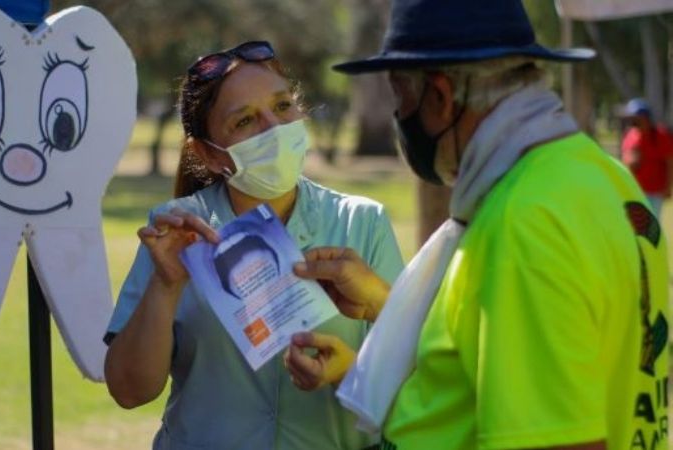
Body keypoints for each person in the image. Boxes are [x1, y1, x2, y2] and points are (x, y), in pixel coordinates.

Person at [284, 0, 670, 449]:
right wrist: (379, 316)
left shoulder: (522, 220)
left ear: (441, 96)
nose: (399, 119)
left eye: (402, 96)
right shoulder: (606, 178)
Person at [103, 40, 404, 450]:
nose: (274, 128)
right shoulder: (175, 232)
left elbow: (415, 372)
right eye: (244, 121)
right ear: (209, 155)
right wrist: (166, 285)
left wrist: (349, 368)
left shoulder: (362, 222)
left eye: (282, 107)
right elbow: (129, 391)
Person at [620, 98, 673, 217]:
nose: (633, 122)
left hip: (655, 190)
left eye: (636, 118)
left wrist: (668, 187)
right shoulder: (630, 135)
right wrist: (630, 161)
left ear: (646, 118)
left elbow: (669, 162)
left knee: (651, 226)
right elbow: (625, 161)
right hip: (635, 190)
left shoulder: (661, 135)